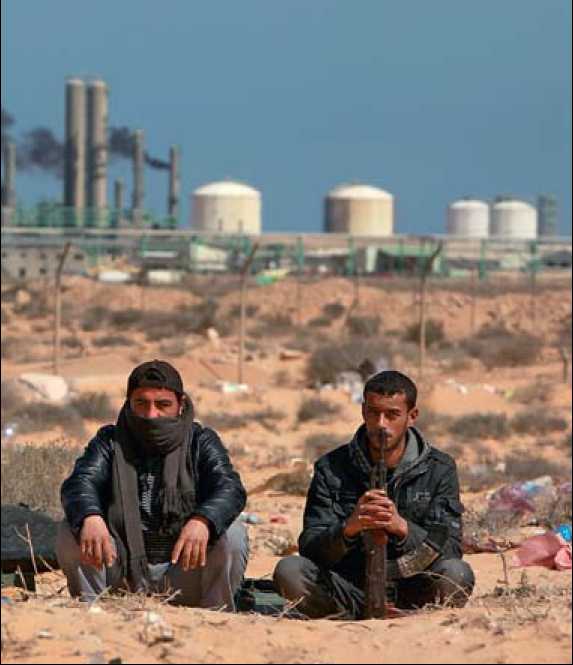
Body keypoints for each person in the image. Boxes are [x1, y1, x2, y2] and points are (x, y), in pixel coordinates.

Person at [273, 370, 474, 619]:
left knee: (457, 573)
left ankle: (416, 619)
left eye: (392, 415)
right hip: (349, 586)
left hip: (414, 589)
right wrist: (349, 529)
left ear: (412, 416)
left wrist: (402, 528)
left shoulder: (439, 469)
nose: (381, 424)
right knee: (290, 571)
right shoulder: (331, 467)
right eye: (373, 412)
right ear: (363, 412)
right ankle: (345, 616)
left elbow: (451, 548)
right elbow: (310, 547)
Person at [57, 360, 248, 610]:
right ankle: (90, 612)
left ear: (180, 404)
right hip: (121, 571)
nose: (151, 414)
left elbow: (230, 488)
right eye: (141, 403)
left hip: (184, 570)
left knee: (232, 534)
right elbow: (80, 482)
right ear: (128, 403)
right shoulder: (110, 441)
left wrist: (203, 520)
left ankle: (216, 615)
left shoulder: (200, 442)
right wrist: (90, 516)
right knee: (72, 527)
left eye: (163, 405)